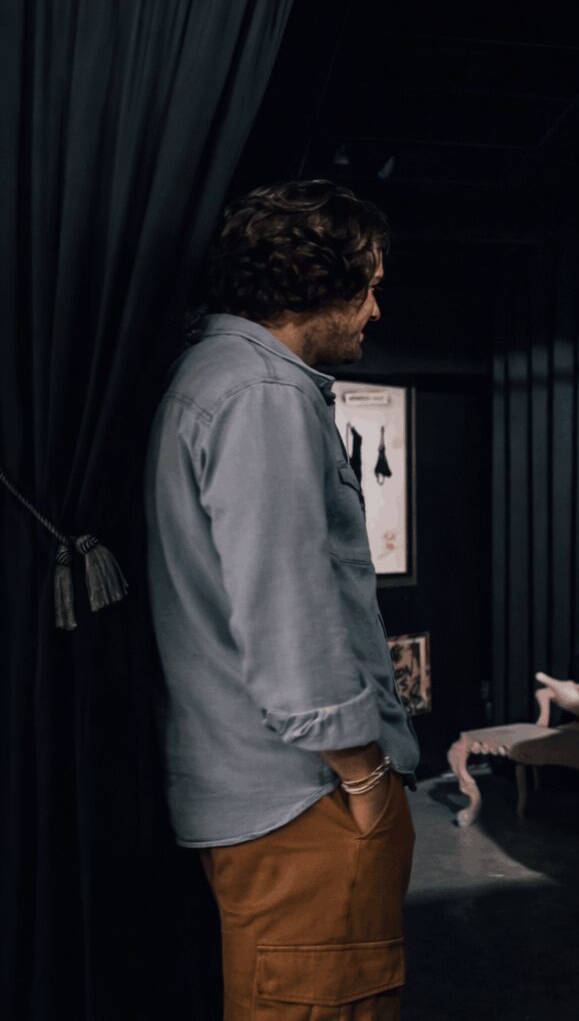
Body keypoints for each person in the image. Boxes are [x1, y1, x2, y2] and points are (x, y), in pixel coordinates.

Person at [145, 180, 418, 1020]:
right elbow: (288, 613)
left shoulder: (220, 377)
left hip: (272, 799)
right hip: (305, 802)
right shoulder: (261, 393)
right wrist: (365, 775)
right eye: (368, 285)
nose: (376, 309)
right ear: (311, 278)